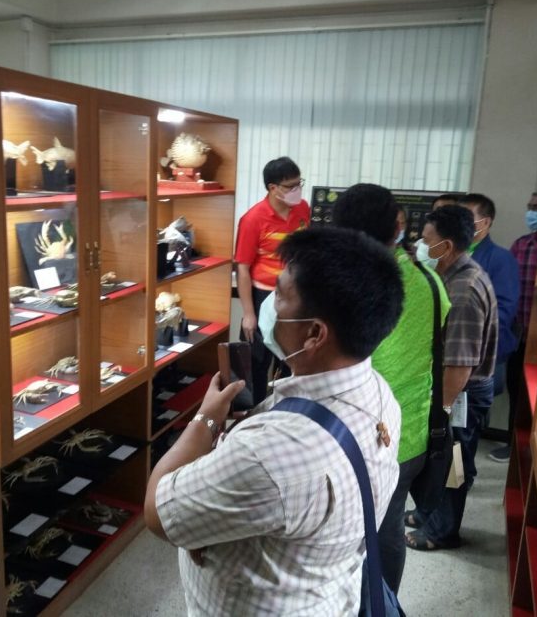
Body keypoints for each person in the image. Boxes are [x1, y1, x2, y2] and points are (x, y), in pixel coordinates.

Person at [145, 226, 404, 615]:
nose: (269, 304)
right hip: (326, 592)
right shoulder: (380, 393)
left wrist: (206, 420)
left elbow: (157, 512)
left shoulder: (269, 455)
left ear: (314, 333)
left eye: (279, 295)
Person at [333, 183, 450, 594]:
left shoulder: (344, 284)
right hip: (411, 430)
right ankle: (385, 604)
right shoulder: (430, 281)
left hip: (350, 433)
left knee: (340, 531)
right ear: (398, 227)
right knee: (389, 526)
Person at [405, 205, 498, 551]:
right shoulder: (454, 275)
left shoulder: (463, 290)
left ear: (445, 246)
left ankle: (442, 531)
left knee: (452, 462)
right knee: (440, 461)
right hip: (455, 390)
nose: (420, 246)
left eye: (426, 240)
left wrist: (441, 411)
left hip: (461, 394)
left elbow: (460, 364)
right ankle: (428, 514)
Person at [234, 156, 310, 404]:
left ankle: (285, 407)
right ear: (273, 188)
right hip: (264, 295)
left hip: (295, 295)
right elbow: (243, 269)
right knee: (257, 360)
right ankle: (254, 411)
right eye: (291, 186)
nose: (297, 190)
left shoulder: (303, 209)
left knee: (292, 357)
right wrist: (248, 313)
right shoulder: (253, 219)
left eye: (299, 184)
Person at [489, 188, 537, 462]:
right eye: (531, 206)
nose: (532, 212)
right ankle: (512, 444)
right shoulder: (521, 245)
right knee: (516, 390)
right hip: (517, 333)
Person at [457, 193, 519, 396]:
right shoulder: (451, 252)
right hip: (453, 350)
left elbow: (503, 311)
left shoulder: (501, 258)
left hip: (483, 353)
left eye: (467, 217)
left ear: (485, 222)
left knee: (474, 408)